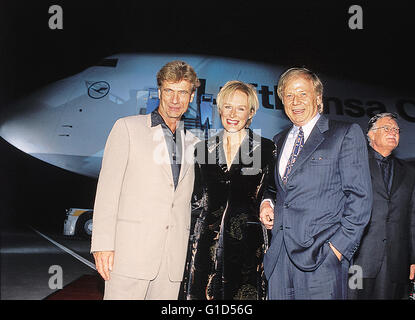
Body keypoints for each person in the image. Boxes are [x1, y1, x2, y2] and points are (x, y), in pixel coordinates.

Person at [90, 60, 200, 300]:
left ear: (191, 97)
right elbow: (108, 191)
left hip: (171, 263)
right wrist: (102, 244)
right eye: (169, 91)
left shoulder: (193, 143)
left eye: (182, 92)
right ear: (159, 91)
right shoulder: (127, 128)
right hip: (129, 256)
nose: (175, 99)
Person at [259, 67, 372, 299]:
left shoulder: (344, 133)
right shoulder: (279, 141)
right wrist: (266, 202)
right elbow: (274, 187)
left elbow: (360, 198)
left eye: (302, 93)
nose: (295, 101)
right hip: (279, 259)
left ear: (318, 98)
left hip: (322, 260)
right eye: (289, 95)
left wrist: (338, 249)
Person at [182, 80, 274, 300]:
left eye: (241, 108)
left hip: (247, 248)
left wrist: (269, 204)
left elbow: (271, 190)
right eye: (228, 106)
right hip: (206, 245)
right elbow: (195, 200)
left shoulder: (266, 148)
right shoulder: (203, 149)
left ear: (251, 113)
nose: (233, 114)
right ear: (220, 108)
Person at [348, 113, 415, 299]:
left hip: (396, 263)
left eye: (396, 130)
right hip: (357, 260)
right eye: (387, 128)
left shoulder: (409, 172)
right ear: (370, 134)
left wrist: (413, 259)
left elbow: (412, 218)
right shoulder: (353, 164)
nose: (393, 132)